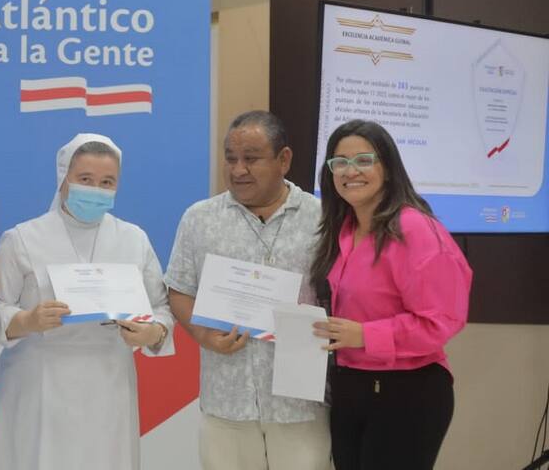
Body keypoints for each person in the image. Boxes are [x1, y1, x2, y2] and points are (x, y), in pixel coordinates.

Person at [0, 133, 175, 470]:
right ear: (64, 179)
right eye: (86, 179)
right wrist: (26, 321)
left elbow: (161, 308)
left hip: (109, 381)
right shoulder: (23, 238)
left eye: (107, 182)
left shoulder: (133, 239)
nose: (96, 189)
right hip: (39, 382)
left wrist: (153, 333)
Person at [165, 111, 331, 470]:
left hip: (300, 402)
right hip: (227, 399)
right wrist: (202, 334)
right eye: (231, 158)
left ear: (283, 159)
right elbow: (177, 290)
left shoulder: (322, 219)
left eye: (251, 159)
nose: (238, 169)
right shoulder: (200, 218)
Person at [310, 119, 471, 470]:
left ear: (388, 167)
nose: (350, 171)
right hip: (350, 388)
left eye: (364, 160)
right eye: (340, 163)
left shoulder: (415, 229)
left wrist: (365, 335)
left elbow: (441, 321)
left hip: (407, 391)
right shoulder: (343, 229)